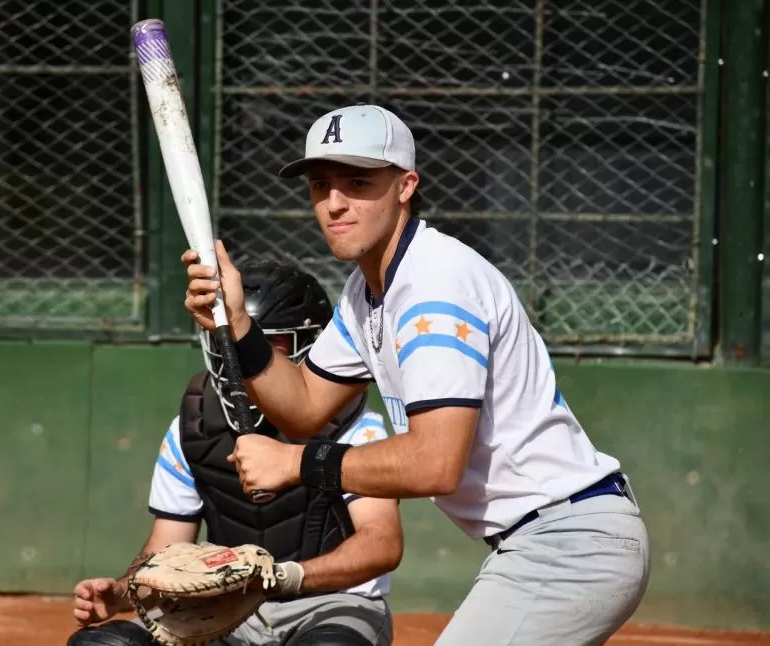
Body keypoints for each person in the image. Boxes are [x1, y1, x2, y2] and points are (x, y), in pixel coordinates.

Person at [181, 104, 651, 645]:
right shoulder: (368, 292)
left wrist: (294, 462)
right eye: (320, 185)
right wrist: (240, 326)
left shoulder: (435, 283)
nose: (334, 203)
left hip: (568, 544)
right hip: (547, 541)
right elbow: (305, 405)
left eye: (357, 183)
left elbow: (434, 463)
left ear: (405, 186)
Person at [67, 259, 401, 646]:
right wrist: (124, 593)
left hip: (329, 606)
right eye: (234, 347)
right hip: (222, 609)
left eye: (268, 347)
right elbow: (165, 548)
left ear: (313, 347)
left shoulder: (357, 428)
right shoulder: (194, 428)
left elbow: (381, 544)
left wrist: (283, 576)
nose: (244, 364)